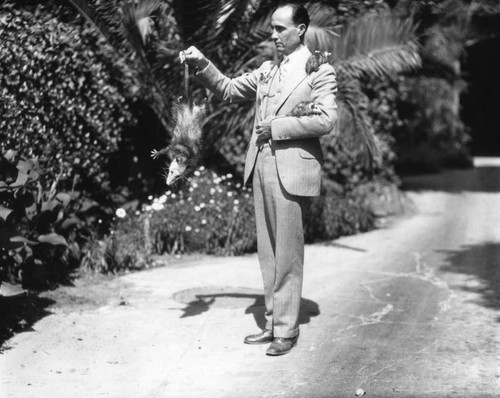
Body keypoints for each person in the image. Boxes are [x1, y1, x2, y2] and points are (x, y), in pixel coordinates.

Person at [183, 2, 337, 356]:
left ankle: (287, 329)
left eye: (281, 29)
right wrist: (199, 62)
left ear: (300, 30)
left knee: (287, 252)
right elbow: (228, 89)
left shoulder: (318, 71)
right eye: (271, 28)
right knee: (268, 252)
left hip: (291, 168)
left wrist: (279, 128)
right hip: (261, 165)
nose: (274, 35)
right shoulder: (268, 70)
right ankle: (271, 323)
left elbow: (327, 120)